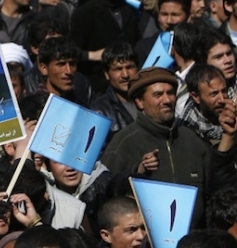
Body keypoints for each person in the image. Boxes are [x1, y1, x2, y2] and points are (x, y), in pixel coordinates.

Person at [101, 67, 236, 226]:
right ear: (139, 102)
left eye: (170, 93)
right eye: (158, 95)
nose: (167, 100)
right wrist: (137, 172)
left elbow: (217, 189)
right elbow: (104, 195)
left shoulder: (192, 140)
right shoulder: (123, 143)